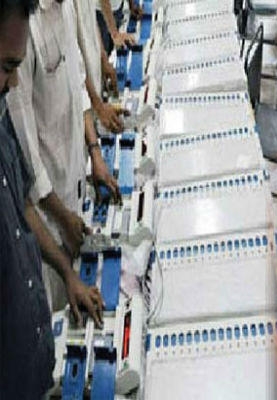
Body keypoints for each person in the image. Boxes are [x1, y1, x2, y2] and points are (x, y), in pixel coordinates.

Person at [0, 0, 103, 397]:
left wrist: (67, 270)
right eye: (7, 67)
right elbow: (32, 160)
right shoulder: (24, 31)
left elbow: (22, 200)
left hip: (35, 355)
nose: (11, 82)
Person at [7, 0, 119, 310]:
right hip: (49, 215)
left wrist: (94, 153)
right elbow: (27, 154)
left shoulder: (65, 7)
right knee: (62, 303)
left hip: (75, 186)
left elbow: (78, 82)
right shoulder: (23, 27)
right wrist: (62, 216)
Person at [75, 0, 125, 133]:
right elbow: (75, 65)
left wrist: (103, 59)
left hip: (94, 74)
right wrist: (98, 107)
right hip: (82, 99)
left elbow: (92, 20)